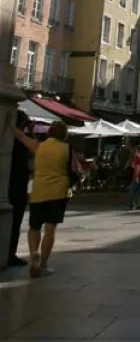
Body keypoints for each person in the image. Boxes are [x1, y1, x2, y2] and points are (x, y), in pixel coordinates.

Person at [13, 120, 75, 278]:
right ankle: (43, 264)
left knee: (34, 227)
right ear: (64, 135)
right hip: (58, 192)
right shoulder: (67, 149)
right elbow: (75, 170)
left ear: (49, 133)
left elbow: (21, 137)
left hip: (38, 191)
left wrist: (9, 124)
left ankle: (34, 253)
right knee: (50, 228)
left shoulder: (39, 146)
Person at [7, 110, 31, 267]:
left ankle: (10, 253)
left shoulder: (10, 140)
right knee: (15, 223)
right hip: (17, 188)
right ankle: (10, 254)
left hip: (13, 186)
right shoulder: (22, 142)